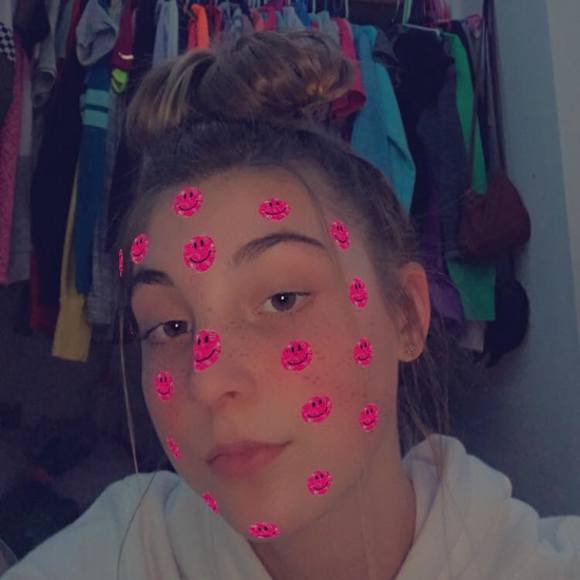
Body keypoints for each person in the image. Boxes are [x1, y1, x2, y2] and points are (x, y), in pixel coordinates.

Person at [4, 31, 579, 580]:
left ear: (405, 313)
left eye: (281, 299)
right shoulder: (113, 557)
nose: (207, 381)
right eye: (169, 326)